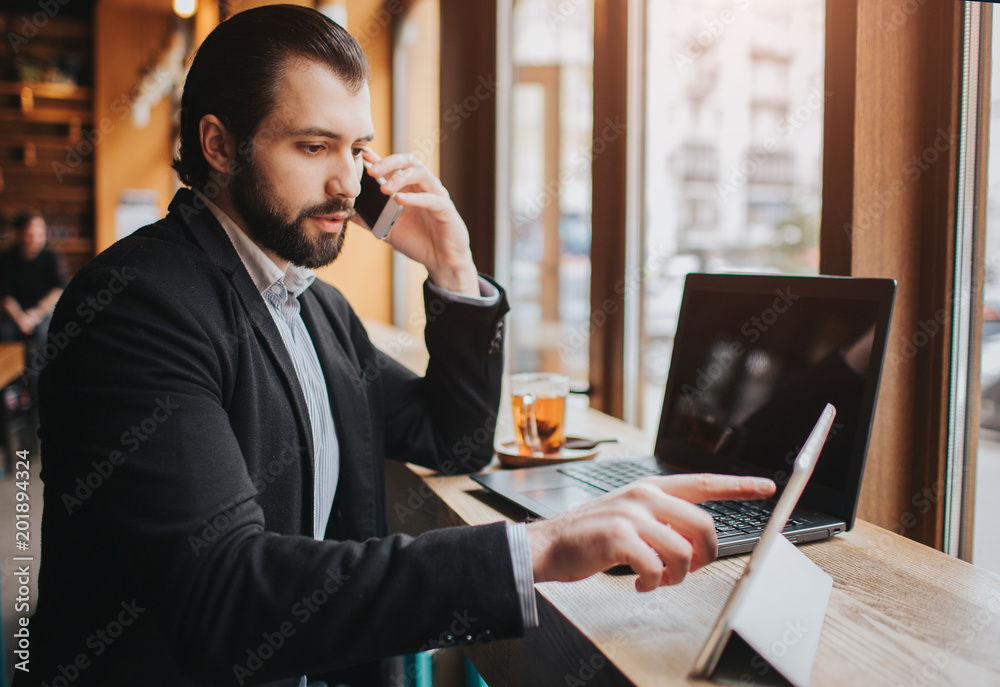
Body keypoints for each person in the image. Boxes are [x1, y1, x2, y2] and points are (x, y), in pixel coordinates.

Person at [17, 6, 775, 687]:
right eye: (314, 146)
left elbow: (454, 436)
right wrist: (538, 546)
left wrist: (453, 263)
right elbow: (226, 593)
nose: (348, 183)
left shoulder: (315, 311)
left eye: (359, 150)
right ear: (218, 144)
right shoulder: (137, 306)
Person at [0, 209, 64, 348]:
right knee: (5, 332)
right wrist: (20, 319)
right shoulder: (6, 259)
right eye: (30, 235)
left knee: (46, 332)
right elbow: (6, 297)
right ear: (18, 234)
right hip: (15, 316)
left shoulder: (51, 257)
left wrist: (36, 314)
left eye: (41, 234)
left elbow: (58, 290)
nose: (36, 240)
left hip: (43, 313)